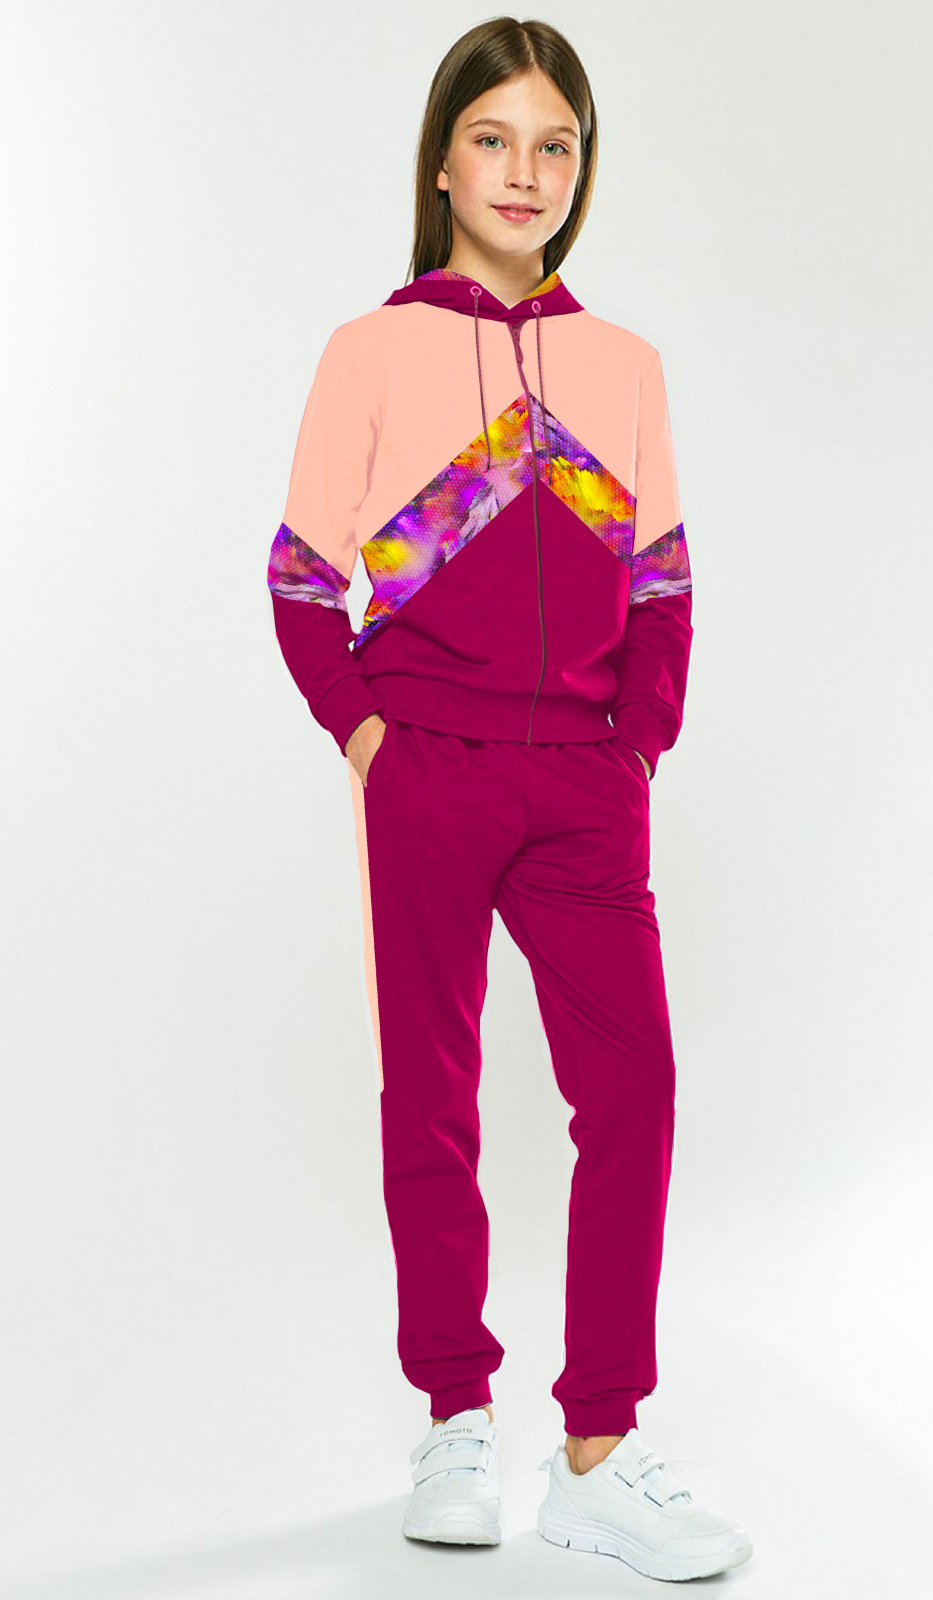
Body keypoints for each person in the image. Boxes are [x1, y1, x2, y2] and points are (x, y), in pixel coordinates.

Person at [267, 15, 753, 1584]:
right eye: (493, 139)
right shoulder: (370, 350)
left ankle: (599, 1450)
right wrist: (367, 734)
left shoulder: (623, 367)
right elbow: (299, 576)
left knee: (633, 1092)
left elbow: (661, 582)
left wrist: (635, 745)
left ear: (580, 169)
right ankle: (454, 1421)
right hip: (426, 767)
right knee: (432, 1094)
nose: (524, 172)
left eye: (555, 145)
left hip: (582, 779)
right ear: (440, 163)